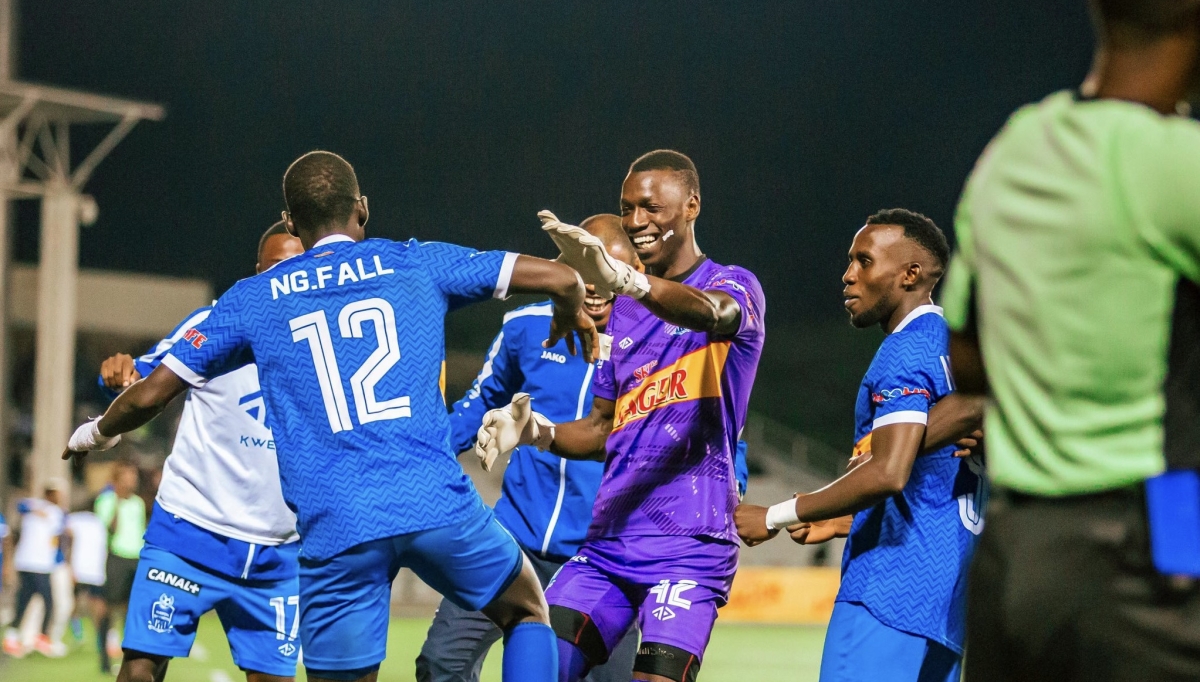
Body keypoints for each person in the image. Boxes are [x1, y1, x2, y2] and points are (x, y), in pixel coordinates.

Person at [64, 150, 600, 682]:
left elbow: (148, 395)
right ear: (361, 209)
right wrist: (568, 307)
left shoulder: (254, 299)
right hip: (432, 501)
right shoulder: (415, 261)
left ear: (293, 221)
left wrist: (92, 434)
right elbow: (559, 276)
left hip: (338, 526)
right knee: (526, 608)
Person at [939, 0, 1200, 680]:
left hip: (1015, 559)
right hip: (1148, 548)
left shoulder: (1015, 147)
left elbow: (966, 359)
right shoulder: (1174, 161)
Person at [478, 149, 764, 682]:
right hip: (610, 541)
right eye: (627, 208)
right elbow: (604, 428)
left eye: (651, 207)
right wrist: (535, 431)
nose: (636, 222)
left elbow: (712, 314)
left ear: (692, 205)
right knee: (536, 664)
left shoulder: (734, 285)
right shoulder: (624, 315)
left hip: (690, 541)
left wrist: (630, 282)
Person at [735, 209, 986, 682]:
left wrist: (776, 515)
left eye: (864, 261)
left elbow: (889, 470)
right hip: (945, 603)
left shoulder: (905, 349)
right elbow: (929, 484)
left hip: (888, 592)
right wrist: (840, 519)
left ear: (911, 274)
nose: (848, 276)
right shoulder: (954, 352)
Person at [418, 214, 655, 682]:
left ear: (634, 274)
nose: (595, 285)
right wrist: (424, 462)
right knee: (442, 662)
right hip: (511, 541)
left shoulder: (657, 346)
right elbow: (481, 401)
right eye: (585, 270)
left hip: (601, 559)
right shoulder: (524, 328)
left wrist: (732, 484)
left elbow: (715, 428)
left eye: (609, 271)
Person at [91, 220, 305, 682]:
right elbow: (141, 380)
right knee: (139, 672)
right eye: (274, 268)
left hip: (277, 556)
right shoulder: (214, 324)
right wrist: (121, 376)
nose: (284, 279)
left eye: (296, 267)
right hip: (189, 535)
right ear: (255, 273)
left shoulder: (328, 345)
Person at [3, 479, 68, 658]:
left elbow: (56, 539)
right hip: (31, 563)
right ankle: (41, 638)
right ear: (49, 494)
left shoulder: (56, 512)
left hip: (40, 564)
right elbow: (20, 505)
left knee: (26, 600)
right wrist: (36, 510)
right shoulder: (36, 505)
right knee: (47, 601)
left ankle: (15, 637)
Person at [94, 460, 146, 669]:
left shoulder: (138, 503)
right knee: (109, 608)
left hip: (136, 558)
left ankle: (129, 657)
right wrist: (116, 499)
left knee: (131, 610)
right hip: (116, 557)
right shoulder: (106, 500)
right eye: (127, 476)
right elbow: (109, 529)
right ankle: (104, 658)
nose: (132, 480)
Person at [65, 506, 110, 667]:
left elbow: (67, 536)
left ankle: (78, 634)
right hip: (96, 570)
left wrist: (68, 562)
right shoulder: (102, 521)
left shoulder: (74, 518)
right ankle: (100, 639)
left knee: (76, 603)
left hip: (81, 569)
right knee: (97, 605)